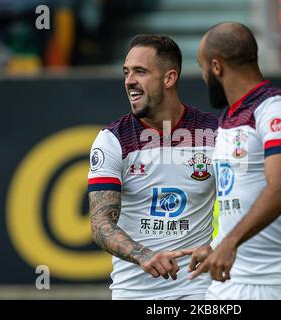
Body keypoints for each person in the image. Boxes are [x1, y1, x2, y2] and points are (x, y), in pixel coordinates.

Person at [181, 22, 281, 300]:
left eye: (202, 68)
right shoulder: (228, 119)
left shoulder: (277, 107)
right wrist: (218, 244)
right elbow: (239, 195)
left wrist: (230, 243)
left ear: (217, 67)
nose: (203, 77)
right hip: (231, 278)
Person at [88, 34, 218, 300]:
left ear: (169, 78)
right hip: (134, 291)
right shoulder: (112, 140)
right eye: (126, 72)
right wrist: (143, 255)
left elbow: (242, 203)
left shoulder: (215, 133)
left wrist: (220, 246)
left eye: (140, 72)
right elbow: (100, 224)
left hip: (199, 289)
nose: (129, 81)